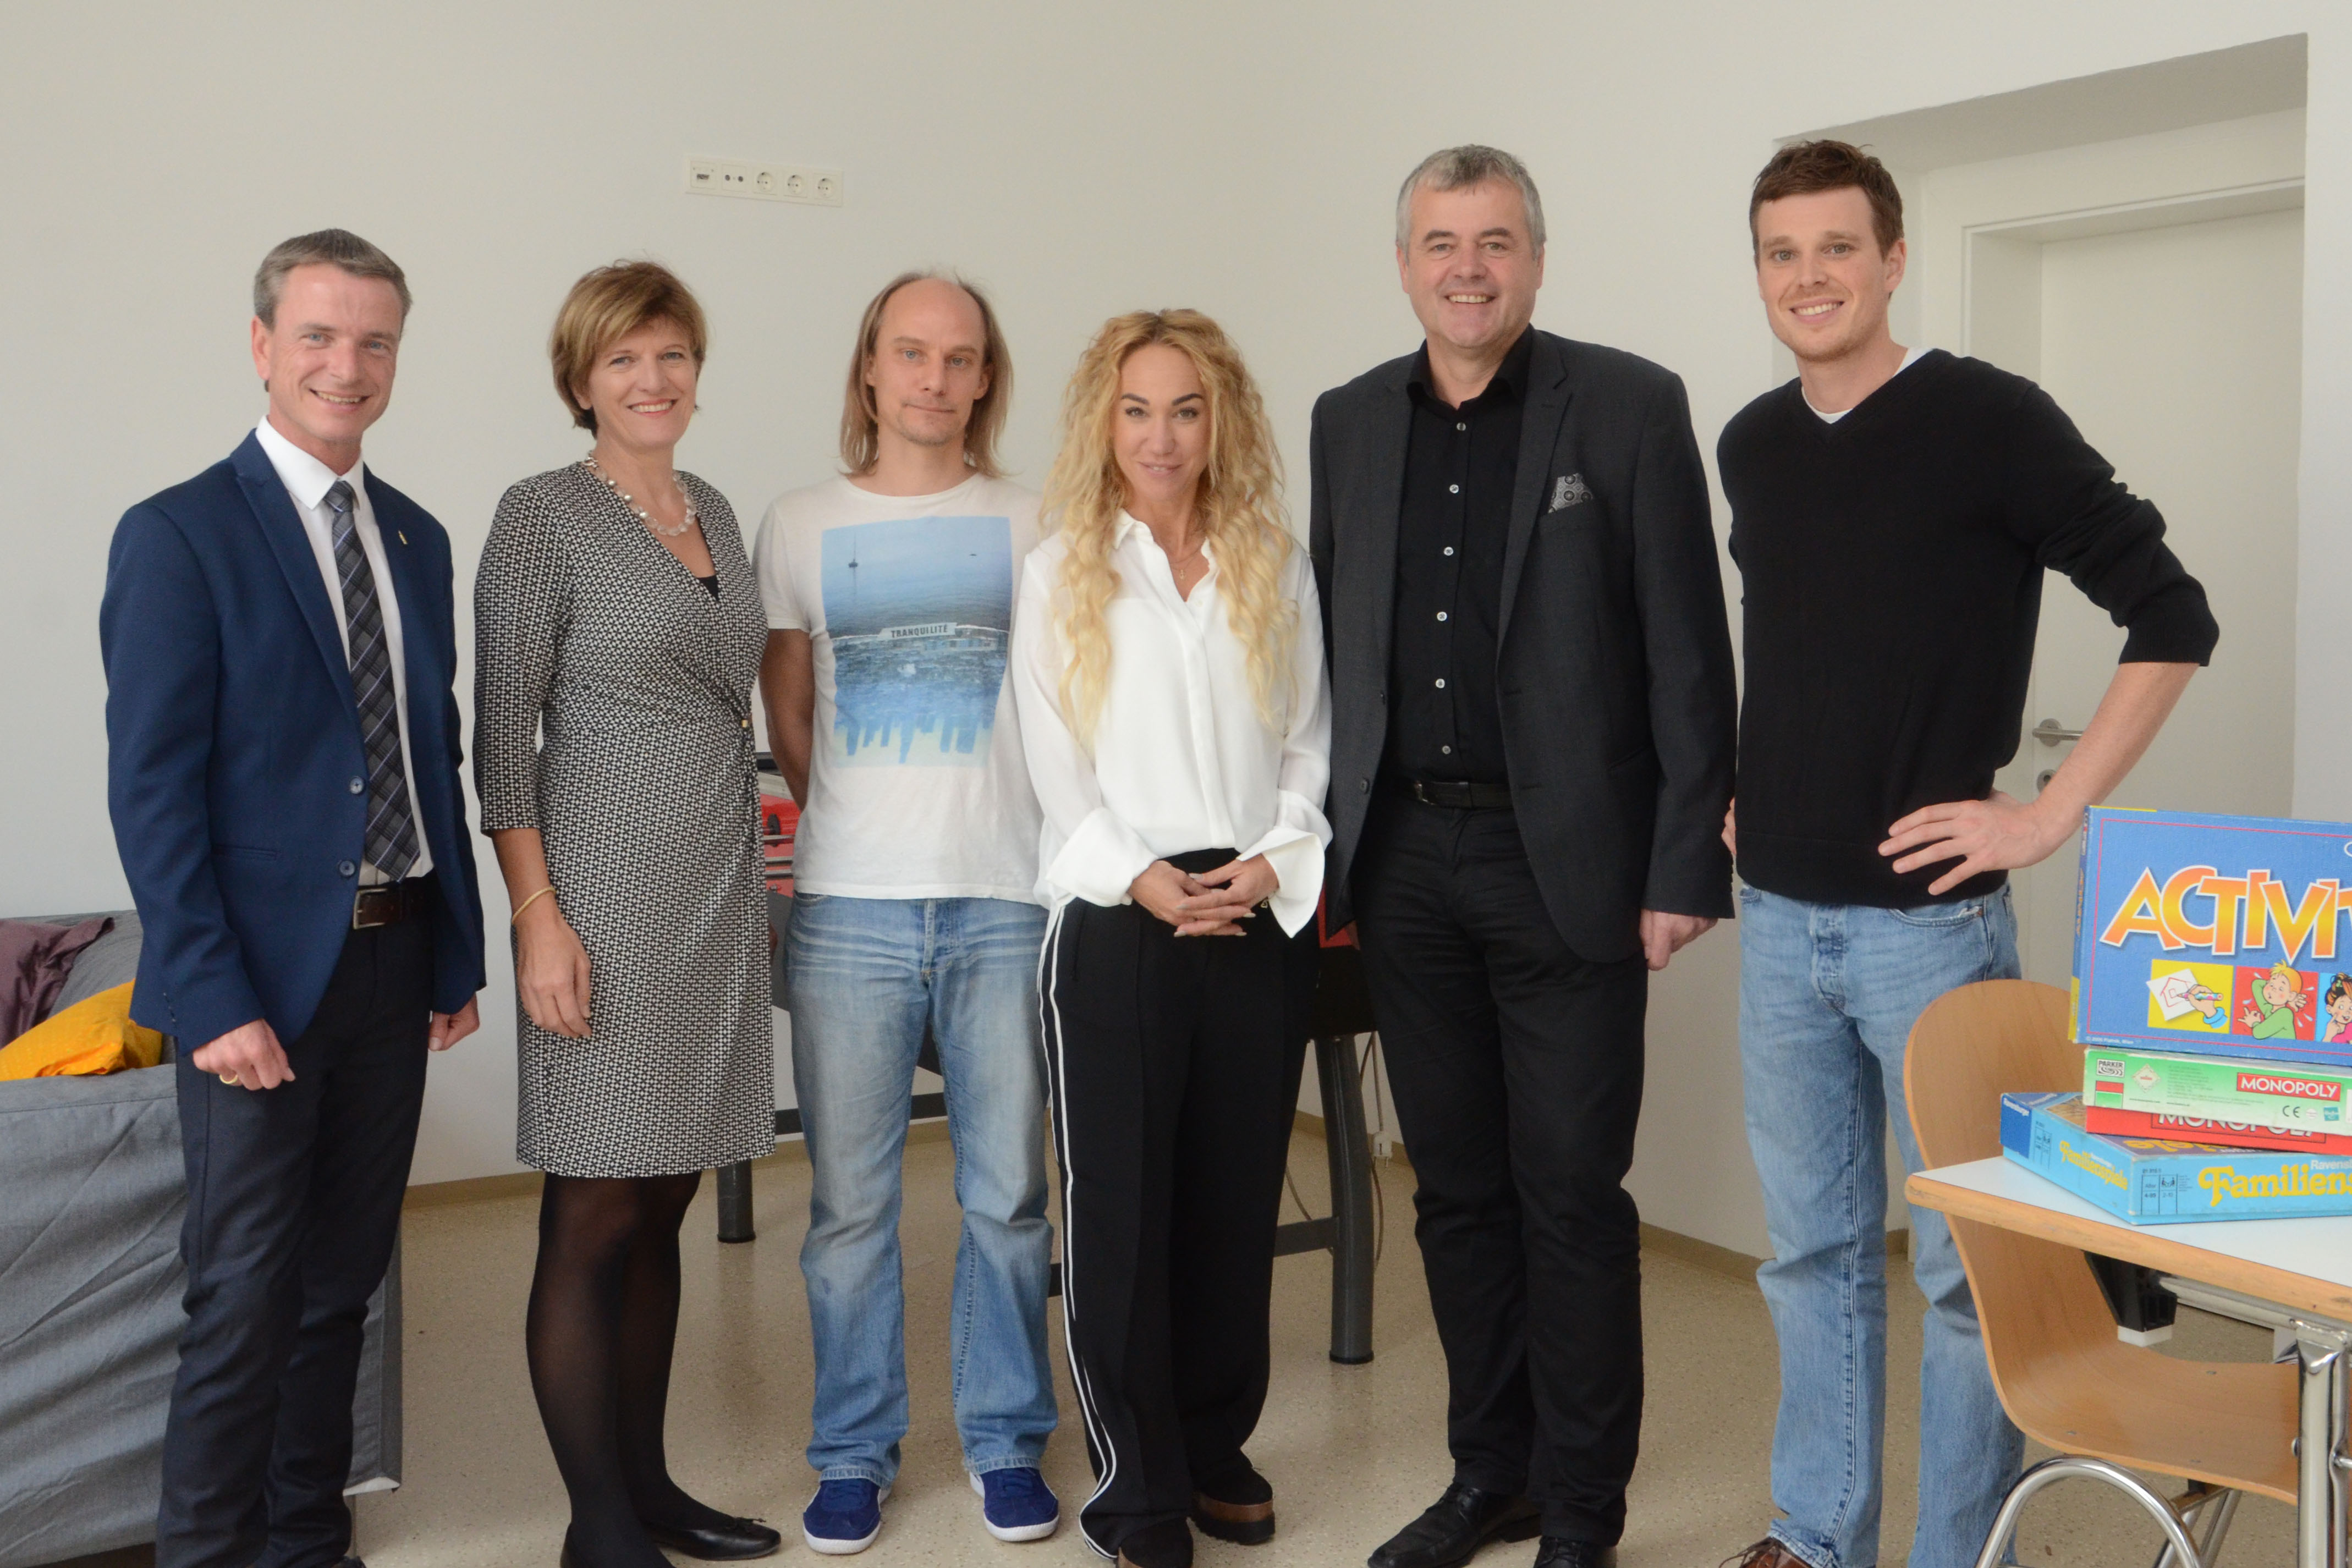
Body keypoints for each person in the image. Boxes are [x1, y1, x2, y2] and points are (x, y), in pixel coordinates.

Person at [1718, 140, 2215, 1568]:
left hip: (1927, 932)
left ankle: (1954, 1551)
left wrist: (2047, 814)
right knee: (1809, 1255)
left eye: (1834, 247)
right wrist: (1746, 791)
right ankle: (1816, 1537)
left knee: (1962, 1273)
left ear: (1890, 261)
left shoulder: (1989, 419)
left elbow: (2171, 612)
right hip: (1777, 918)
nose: (1807, 276)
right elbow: (1806, 645)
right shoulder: (1751, 443)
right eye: (1779, 252)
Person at [1310, 146, 1737, 1568]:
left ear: (1536, 261)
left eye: (1494, 241)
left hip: (1568, 861)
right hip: (1401, 861)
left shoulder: (1625, 404)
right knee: (1454, 1190)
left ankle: (1583, 1504)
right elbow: (1329, 647)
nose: (1467, 268)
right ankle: (1488, 1472)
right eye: (1441, 242)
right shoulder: (1346, 420)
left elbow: (1687, 653)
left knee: (1568, 1192)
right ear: (1404, 264)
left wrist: (1682, 864)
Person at [102, 228, 487, 1568]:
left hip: (393, 964)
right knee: (244, 1298)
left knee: (342, 1289)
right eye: (318, 335)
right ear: (263, 345)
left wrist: (454, 953)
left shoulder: (416, 536)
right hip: (254, 986)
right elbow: (154, 793)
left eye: (374, 340)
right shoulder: (179, 534)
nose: (346, 364)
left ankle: (306, 1540)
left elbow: (428, 754)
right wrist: (209, 995)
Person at [474, 262, 781, 1568]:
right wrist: (536, 918)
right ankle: (595, 1523)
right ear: (580, 380)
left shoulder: (713, 506)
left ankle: (648, 1487)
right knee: (594, 1208)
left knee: (662, 1200)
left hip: (714, 890)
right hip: (599, 897)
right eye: (622, 360)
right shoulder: (540, 516)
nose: (652, 380)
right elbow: (502, 744)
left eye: (671, 355)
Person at [1012, 309, 1330, 1568]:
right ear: (1103, 423)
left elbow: (1308, 738)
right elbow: (1050, 759)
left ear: (1220, 422)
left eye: (1185, 410)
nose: (1160, 436)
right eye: (1136, 410)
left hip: (1248, 906)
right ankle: (1133, 1481)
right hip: (1116, 916)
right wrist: (1141, 876)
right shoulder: (1061, 569)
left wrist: (1276, 853)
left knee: (1231, 1197)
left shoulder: (1272, 560)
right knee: (1121, 1210)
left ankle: (1212, 1445)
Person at [752, 272, 1059, 1554]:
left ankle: (1004, 1440)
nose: (935, 377)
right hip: (847, 914)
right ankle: (851, 1451)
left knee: (1008, 1195)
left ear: (985, 379)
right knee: (848, 1208)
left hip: (1006, 901)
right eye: (911, 353)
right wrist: (860, 817)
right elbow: (790, 711)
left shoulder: (1038, 519)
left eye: (960, 357)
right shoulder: (797, 522)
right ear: (870, 369)